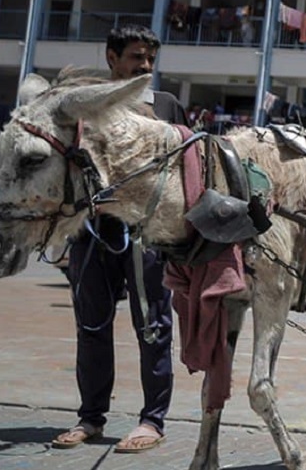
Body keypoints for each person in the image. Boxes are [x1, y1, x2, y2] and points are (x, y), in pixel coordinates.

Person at [52, 25, 187, 454]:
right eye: (135, 58)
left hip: (147, 238)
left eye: (150, 59)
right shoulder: (84, 107)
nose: (144, 66)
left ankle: (152, 420)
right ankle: (90, 418)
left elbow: (188, 168)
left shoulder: (166, 105)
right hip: (93, 233)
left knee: (153, 328)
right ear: (111, 58)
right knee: (91, 326)